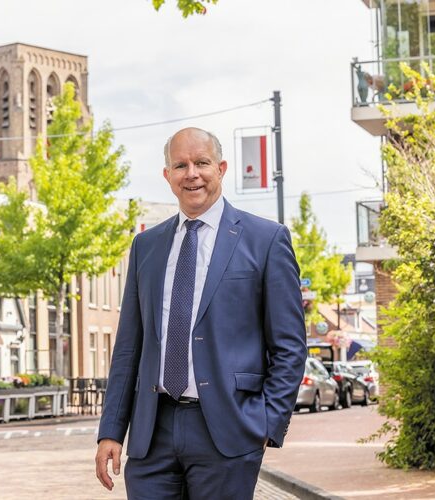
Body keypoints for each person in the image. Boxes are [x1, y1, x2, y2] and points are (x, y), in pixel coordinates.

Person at [95, 127, 307, 499]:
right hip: (152, 433)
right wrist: (112, 429)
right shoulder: (146, 246)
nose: (191, 173)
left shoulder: (266, 240)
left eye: (201, 163)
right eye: (180, 165)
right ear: (168, 176)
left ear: (221, 168)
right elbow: (129, 347)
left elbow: (289, 346)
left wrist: (265, 423)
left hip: (227, 430)